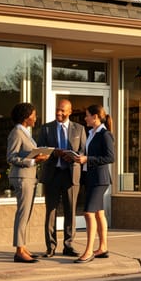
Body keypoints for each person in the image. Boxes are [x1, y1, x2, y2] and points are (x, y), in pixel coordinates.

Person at [37, 99, 86, 257]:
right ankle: (50, 247)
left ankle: (68, 245)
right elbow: (40, 150)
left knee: (70, 210)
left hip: (70, 175)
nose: (59, 113)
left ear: (70, 111)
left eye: (63, 111)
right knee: (51, 211)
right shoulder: (46, 128)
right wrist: (54, 153)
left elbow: (84, 151)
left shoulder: (79, 129)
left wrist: (73, 157)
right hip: (52, 174)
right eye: (58, 109)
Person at [6, 102, 48, 263]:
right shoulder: (17, 132)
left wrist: (37, 158)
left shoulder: (25, 132)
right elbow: (11, 157)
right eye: (34, 115)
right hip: (22, 177)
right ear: (26, 117)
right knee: (23, 213)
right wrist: (33, 161)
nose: (36, 118)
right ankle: (19, 251)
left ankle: (22, 247)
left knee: (26, 213)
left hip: (29, 177)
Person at [75, 104, 114, 263]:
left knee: (88, 213)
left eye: (87, 115)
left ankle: (89, 251)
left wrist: (87, 159)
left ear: (95, 117)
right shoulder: (91, 133)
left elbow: (110, 158)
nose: (85, 118)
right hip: (91, 178)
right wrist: (81, 157)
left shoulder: (105, 135)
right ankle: (103, 247)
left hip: (100, 179)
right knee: (98, 213)